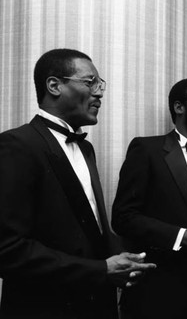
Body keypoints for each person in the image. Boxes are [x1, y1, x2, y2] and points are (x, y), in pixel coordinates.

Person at [0, 48, 156, 319]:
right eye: (90, 82)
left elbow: (87, 229)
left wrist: (124, 260)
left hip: (96, 305)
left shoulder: (86, 150)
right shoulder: (16, 145)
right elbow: (8, 250)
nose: (99, 92)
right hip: (46, 309)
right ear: (54, 85)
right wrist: (99, 270)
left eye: (100, 84)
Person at [112, 78, 187, 319]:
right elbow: (123, 217)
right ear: (179, 108)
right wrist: (181, 236)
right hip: (156, 294)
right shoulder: (147, 150)